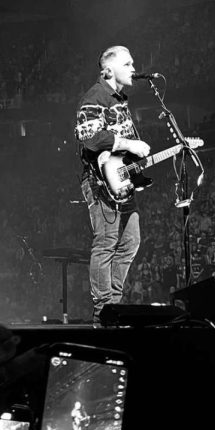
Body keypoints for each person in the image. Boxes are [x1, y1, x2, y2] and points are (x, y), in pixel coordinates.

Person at [76, 46, 150, 323]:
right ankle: (103, 308)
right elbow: (90, 138)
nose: (134, 68)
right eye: (128, 63)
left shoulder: (120, 101)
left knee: (131, 240)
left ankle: (114, 303)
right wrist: (130, 143)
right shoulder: (95, 97)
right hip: (99, 182)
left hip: (121, 181)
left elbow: (119, 152)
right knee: (106, 242)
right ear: (108, 70)